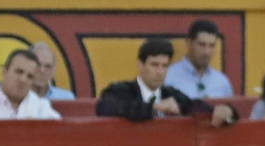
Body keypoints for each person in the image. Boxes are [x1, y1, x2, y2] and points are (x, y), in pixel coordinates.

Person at [96, 38, 237, 124]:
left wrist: (226, 112)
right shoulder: (121, 90)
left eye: (164, 66)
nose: (160, 72)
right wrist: (154, 107)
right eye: (154, 65)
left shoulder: (171, 94)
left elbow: (195, 106)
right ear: (140, 65)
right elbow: (105, 107)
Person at [165, 19, 233, 100]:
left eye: (211, 46)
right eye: (201, 45)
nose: (206, 52)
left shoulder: (222, 82)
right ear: (188, 42)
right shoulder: (168, 77)